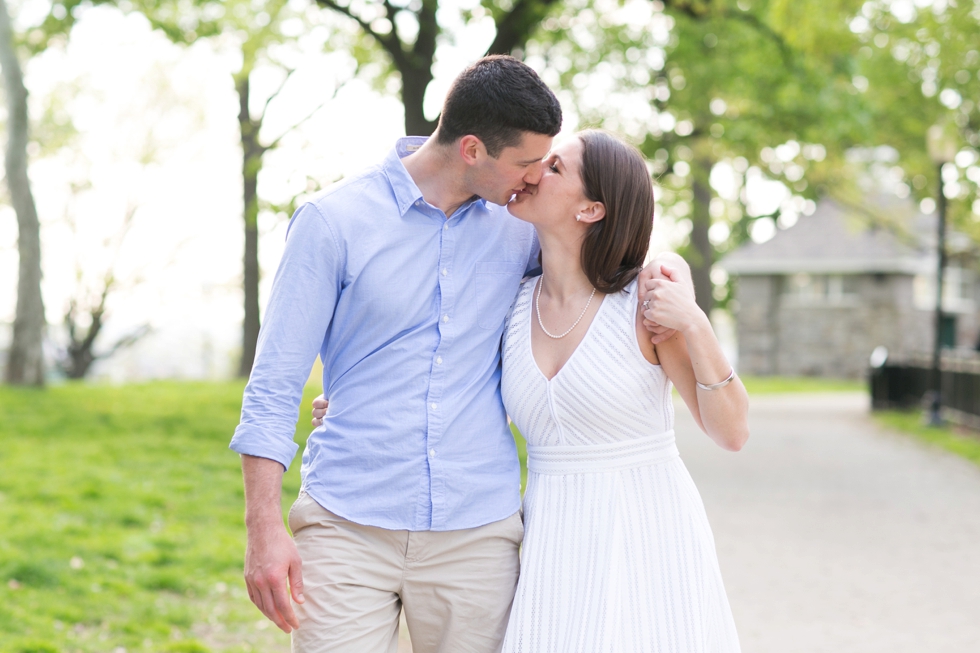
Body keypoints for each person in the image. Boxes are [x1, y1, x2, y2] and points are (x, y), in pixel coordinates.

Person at [496, 130, 749, 652]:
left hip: (649, 531)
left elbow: (732, 432)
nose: (536, 170)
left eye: (556, 167)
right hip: (552, 539)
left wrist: (696, 325)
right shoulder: (509, 302)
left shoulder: (648, 303)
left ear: (591, 209)